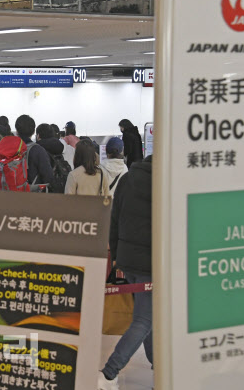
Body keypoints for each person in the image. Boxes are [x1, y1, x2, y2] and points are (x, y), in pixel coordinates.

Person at [99, 155, 153, 390]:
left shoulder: (128, 179)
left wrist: (118, 257)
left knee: (149, 317)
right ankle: (109, 373)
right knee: (144, 320)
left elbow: (114, 219)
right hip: (152, 263)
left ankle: (159, 369)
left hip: (128, 260)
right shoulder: (166, 184)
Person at [15, 115, 53, 185]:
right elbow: (48, 177)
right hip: (30, 193)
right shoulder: (38, 150)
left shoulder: (8, 148)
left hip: (7, 192)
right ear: (33, 132)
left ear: (17, 131)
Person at [36, 123, 71, 193]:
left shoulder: (37, 149)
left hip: (45, 192)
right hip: (61, 189)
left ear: (38, 136)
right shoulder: (59, 146)